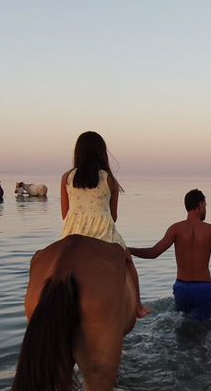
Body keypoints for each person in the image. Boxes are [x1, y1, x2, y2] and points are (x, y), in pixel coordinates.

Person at [128, 189, 211, 321]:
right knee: (203, 331)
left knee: (183, 326)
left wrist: (128, 250)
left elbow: (153, 253)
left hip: (181, 288)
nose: (206, 209)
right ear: (200, 205)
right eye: (205, 206)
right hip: (203, 289)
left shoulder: (175, 229)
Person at [61, 131, 149, 318]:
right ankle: (138, 307)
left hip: (72, 233)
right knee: (128, 261)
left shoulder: (67, 177)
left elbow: (65, 214)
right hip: (102, 234)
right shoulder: (108, 179)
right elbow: (114, 216)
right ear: (101, 153)